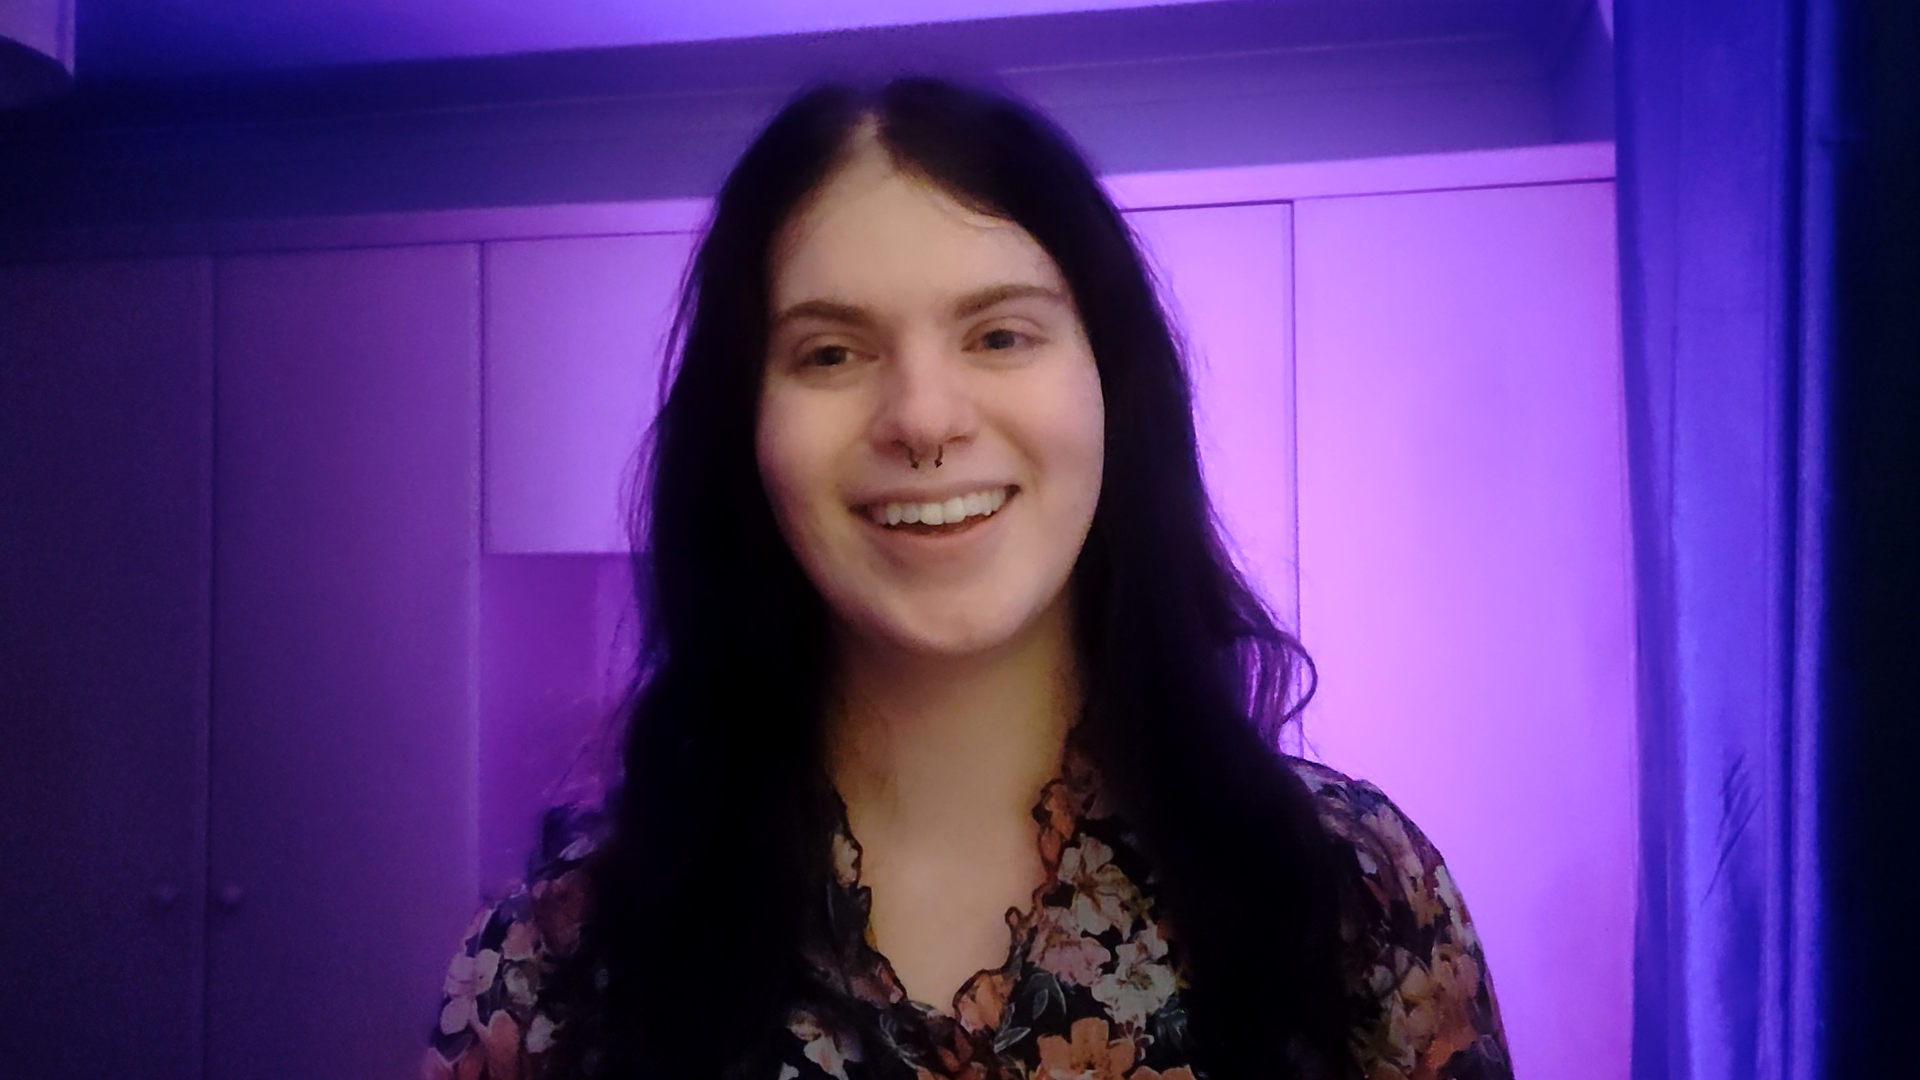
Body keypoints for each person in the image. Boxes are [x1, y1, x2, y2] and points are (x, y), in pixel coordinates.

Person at [426, 76, 1511, 1080]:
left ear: (1110, 393)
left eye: (999, 334)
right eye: (831, 354)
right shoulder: (557, 957)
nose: (926, 419)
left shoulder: (1354, 894)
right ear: (743, 432)